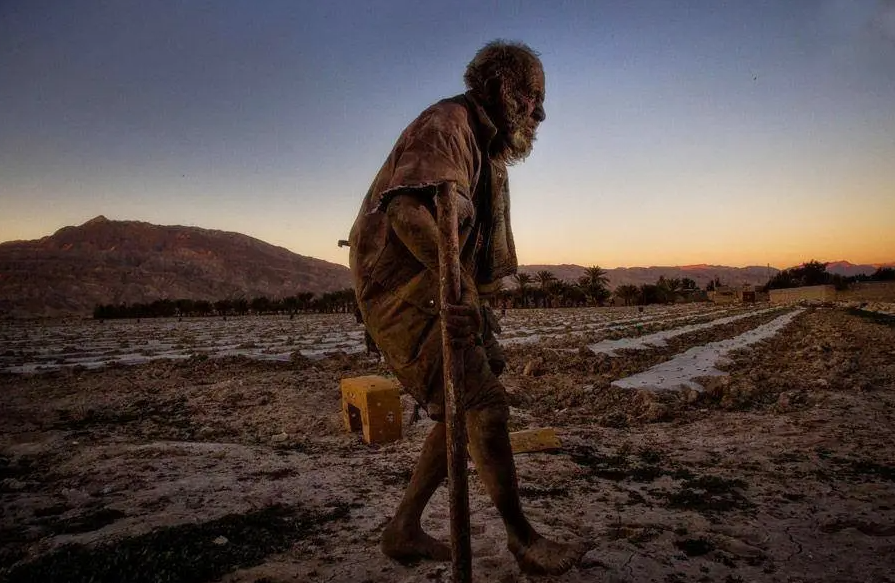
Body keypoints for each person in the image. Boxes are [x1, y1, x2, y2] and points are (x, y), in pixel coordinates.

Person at [348, 40, 585, 575]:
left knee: (468, 398)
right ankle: (522, 539)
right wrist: (459, 287)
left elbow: (464, 239)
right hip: (403, 292)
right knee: (484, 403)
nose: (541, 112)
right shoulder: (447, 125)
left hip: (436, 284)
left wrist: (470, 296)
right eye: (533, 97)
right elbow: (409, 213)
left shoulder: (488, 149)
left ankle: (404, 527)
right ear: (504, 89)